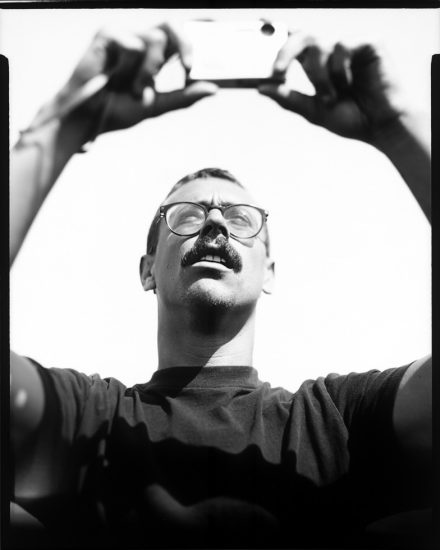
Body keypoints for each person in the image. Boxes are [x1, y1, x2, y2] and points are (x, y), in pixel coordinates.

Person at [9, 22, 432, 549]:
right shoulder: (87, 422)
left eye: (239, 217)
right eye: (185, 215)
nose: (213, 223)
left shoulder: (336, 423)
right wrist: (64, 126)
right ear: (146, 270)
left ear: (271, 272)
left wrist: (397, 126)